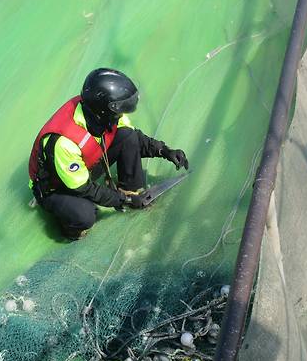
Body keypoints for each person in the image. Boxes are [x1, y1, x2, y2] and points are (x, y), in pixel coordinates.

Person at [28, 68, 189, 240]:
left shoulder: (101, 114)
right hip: (57, 187)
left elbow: (132, 136)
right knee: (86, 215)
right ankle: (69, 228)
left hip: (82, 167)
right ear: (104, 111)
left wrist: (163, 150)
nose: (120, 116)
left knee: (127, 136)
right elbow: (84, 188)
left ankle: (132, 191)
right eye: (118, 112)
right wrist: (122, 201)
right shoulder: (63, 142)